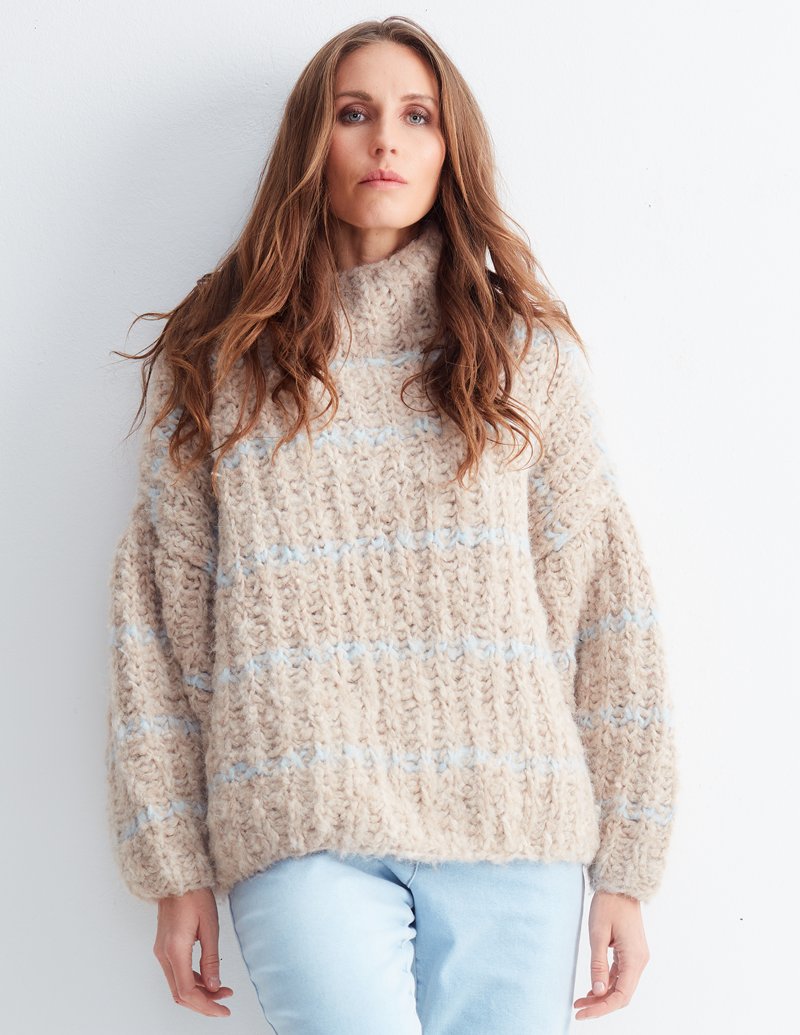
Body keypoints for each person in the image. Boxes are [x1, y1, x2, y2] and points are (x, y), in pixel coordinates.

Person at [104, 16, 678, 1034]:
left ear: (450, 149)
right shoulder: (223, 364)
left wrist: (626, 867)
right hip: (298, 815)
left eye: (417, 116)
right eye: (353, 113)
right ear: (309, 144)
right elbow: (160, 621)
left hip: (513, 824)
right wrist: (172, 862)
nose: (385, 141)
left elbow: (602, 602)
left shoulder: (520, 355)